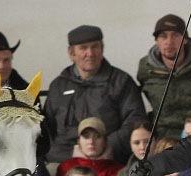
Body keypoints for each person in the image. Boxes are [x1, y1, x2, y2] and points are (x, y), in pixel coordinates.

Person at [45, 25, 146, 163]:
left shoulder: (120, 81)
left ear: (102, 49)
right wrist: (64, 154)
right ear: (71, 54)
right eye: (83, 48)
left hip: (110, 159)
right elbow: (47, 130)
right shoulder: (58, 86)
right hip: (63, 160)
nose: (90, 53)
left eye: (95, 47)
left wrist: (104, 147)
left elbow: (135, 122)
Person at [53, 117, 125, 176]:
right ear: (79, 141)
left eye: (97, 136)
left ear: (105, 141)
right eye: (86, 136)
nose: (91, 142)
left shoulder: (120, 170)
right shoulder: (65, 167)